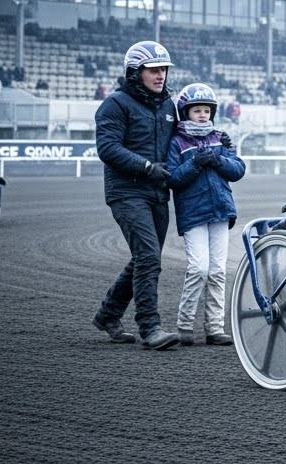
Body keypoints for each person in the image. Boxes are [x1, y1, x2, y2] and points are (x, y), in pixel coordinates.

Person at [92, 41, 180, 350]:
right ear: (135, 73)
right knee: (148, 257)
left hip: (158, 194)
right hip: (126, 192)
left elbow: (186, 140)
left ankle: (108, 315)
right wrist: (145, 167)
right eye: (153, 70)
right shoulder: (115, 104)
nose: (160, 76)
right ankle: (150, 328)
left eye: (163, 70)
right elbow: (108, 148)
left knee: (145, 258)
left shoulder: (170, 106)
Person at [166, 83, 245, 347]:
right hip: (193, 213)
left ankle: (214, 328)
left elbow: (238, 170)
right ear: (185, 113)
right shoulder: (177, 142)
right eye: (196, 111)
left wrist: (218, 159)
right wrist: (195, 162)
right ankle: (184, 325)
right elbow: (173, 178)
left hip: (220, 211)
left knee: (218, 271)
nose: (202, 115)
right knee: (199, 268)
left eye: (206, 111)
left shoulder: (219, 138)